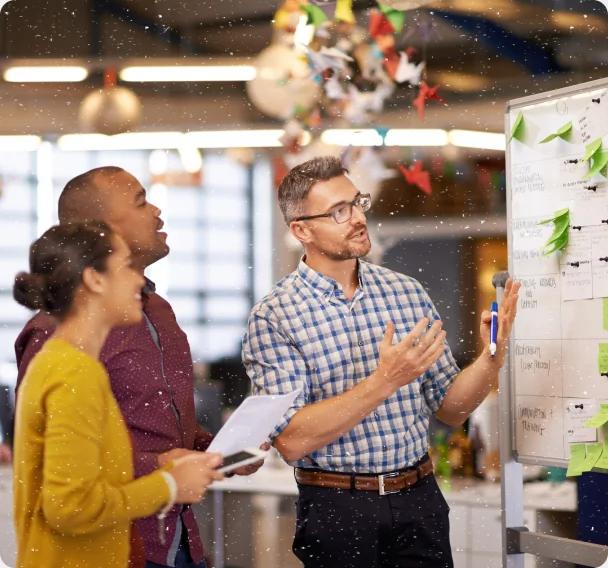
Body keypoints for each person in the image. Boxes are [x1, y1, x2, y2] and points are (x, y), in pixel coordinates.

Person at [242, 156, 520, 568]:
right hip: (338, 508)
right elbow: (292, 439)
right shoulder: (275, 316)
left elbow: (450, 407)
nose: (357, 218)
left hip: (419, 498)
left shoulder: (405, 291)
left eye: (357, 203)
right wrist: (385, 380)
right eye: (339, 211)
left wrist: (491, 358)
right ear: (301, 230)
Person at [14, 166, 262, 568]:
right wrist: (166, 476)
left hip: (174, 536)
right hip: (111, 547)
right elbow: (65, 497)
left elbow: (144, 432)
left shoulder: (155, 312)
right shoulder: (62, 352)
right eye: (142, 201)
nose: (158, 211)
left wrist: (213, 451)